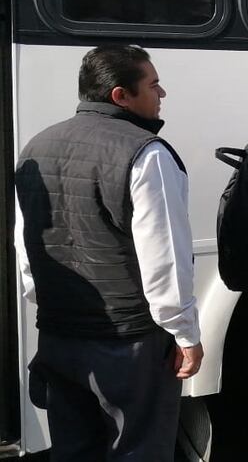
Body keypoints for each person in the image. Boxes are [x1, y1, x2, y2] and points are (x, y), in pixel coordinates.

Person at [14, 45, 202, 461]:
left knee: (74, 449)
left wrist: (51, 306)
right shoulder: (146, 153)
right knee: (139, 450)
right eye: (153, 85)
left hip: (59, 336)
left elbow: (26, 248)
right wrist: (186, 334)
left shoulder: (36, 147)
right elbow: (164, 259)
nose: (162, 94)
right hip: (129, 344)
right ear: (121, 95)